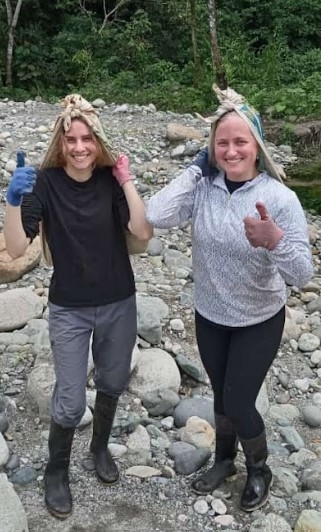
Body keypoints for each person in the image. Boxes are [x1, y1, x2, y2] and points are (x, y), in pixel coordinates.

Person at [146, 85, 313, 512]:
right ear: (212, 148)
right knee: (221, 396)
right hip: (210, 315)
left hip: (259, 318)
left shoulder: (281, 199)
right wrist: (195, 168)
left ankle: (259, 468)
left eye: (241, 141)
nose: (231, 150)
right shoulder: (203, 188)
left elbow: (303, 273)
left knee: (239, 401)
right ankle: (224, 460)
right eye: (222, 143)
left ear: (256, 146)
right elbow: (154, 215)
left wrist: (274, 239)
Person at [4, 94, 153, 519]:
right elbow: (16, 248)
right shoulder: (46, 182)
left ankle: (100, 446)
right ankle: (56, 471)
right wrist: (13, 201)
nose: (79, 147)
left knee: (112, 380)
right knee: (69, 399)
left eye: (87, 138)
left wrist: (126, 180)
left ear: (98, 141)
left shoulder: (110, 180)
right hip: (69, 307)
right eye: (71, 139)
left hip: (118, 301)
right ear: (60, 142)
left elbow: (142, 230)